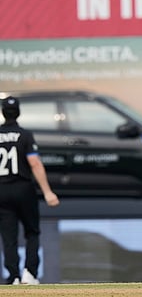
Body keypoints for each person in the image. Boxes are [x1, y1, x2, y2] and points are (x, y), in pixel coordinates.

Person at [0, 96, 60, 285]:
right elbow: (34, 163)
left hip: (2, 190)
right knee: (31, 231)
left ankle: (13, 276)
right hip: (23, 188)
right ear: (18, 112)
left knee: (8, 236)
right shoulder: (25, 135)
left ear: (2, 113)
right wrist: (48, 192)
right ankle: (30, 273)